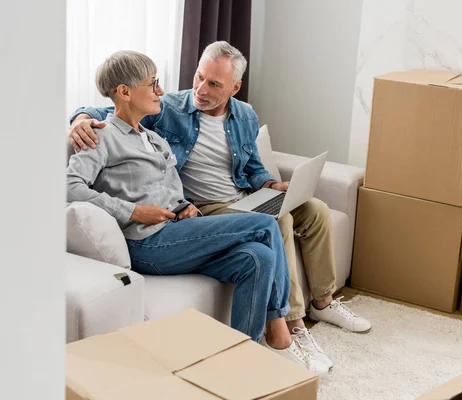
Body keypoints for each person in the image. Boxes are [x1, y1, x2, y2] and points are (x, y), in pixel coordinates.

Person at [69, 42, 372, 369]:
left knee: (259, 257)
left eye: (213, 83)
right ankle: (282, 334)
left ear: (234, 87)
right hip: (146, 241)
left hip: (178, 228)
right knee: (268, 224)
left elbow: (173, 185)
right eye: (153, 83)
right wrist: (130, 210)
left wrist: (186, 204)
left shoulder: (155, 139)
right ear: (126, 91)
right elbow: (69, 186)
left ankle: (241, 359)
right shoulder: (101, 137)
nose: (162, 89)